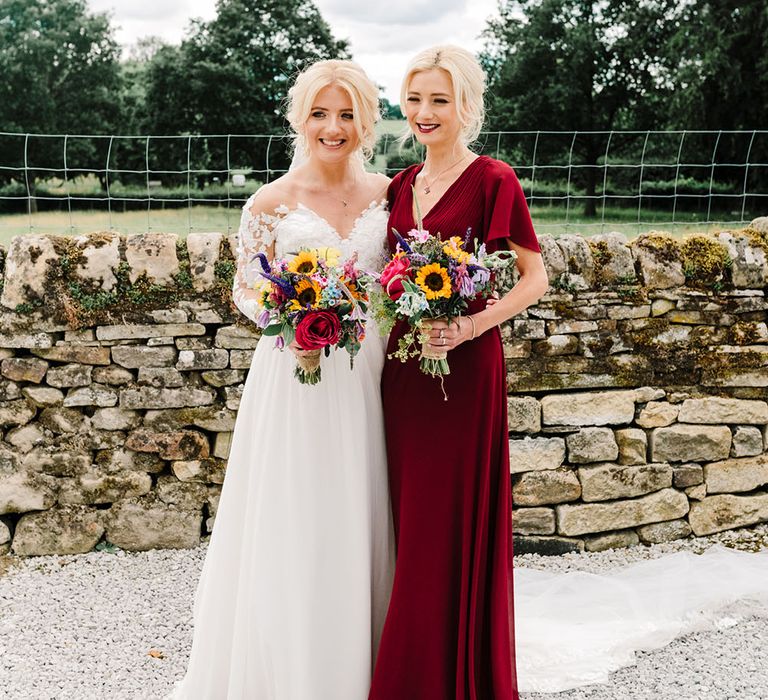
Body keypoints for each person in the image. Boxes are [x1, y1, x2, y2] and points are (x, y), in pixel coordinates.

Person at [171, 59, 394, 700]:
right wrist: (292, 314)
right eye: (320, 114)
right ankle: (300, 664)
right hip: (298, 373)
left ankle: (377, 652)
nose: (333, 127)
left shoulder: (389, 193)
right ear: (300, 119)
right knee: (303, 506)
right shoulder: (272, 201)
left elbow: (399, 274)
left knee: (369, 493)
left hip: (372, 368)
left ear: (366, 121)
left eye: (347, 114)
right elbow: (246, 289)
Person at [369, 45, 549, 700]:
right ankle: (413, 663)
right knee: (409, 520)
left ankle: (448, 677)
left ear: (465, 107)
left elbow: (536, 278)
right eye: (414, 99)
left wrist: (473, 325)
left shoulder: (494, 179)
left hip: (464, 371)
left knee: (447, 522)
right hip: (405, 373)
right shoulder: (399, 186)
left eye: (438, 100)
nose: (423, 112)